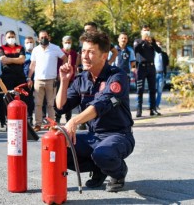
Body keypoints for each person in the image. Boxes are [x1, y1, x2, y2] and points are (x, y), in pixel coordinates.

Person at [55, 31, 135, 192]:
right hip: (94, 136)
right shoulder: (81, 79)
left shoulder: (117, 77)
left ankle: (118, 172)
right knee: (57, 147)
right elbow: (61, 107)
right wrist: (63, 81)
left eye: (91, 52)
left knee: (103, 154)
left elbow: (102, 104)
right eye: (83, 51)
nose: (85, 56)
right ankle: (100, 168)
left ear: (104, 56)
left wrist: (74, 121)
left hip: (118, 135)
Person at [27, 30, 67, 132]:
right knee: (38, 104)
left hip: (51, 80)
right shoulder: (35, 50)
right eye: (42, 37)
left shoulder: (55, 48)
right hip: (38, 80)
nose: (44, 39)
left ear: (49, 37)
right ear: (38, 39)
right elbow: (32, 65)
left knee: (51, 104)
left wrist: (61, 71)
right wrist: (29, 77)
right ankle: (37, 124)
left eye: (45, 37)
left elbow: (64, 58)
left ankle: (51, 124)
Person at [0, 30, 27, 124]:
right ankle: (7, 119)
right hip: (7, 77)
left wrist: (9, 59)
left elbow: (22, 60)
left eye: (12, 37)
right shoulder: (1, 48)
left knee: (21, 99)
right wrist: (16, 59)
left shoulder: (20, 47)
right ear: (5, 38)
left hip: (19, 77)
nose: (11, 38)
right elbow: (3, 60)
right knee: (7, 98)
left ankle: (22, 118)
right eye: (9, 37)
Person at [134, 25, 163, 117]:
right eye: (144, 30)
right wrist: (143, 40)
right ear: (141, 32)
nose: (146, 32)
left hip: (151, 67)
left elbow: (159, 51)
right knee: (140, 89)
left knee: (152, 89)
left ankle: (152, 109)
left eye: (148, 30)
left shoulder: (152, 41)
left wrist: (153, 43)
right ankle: (139, 110)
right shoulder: (137, 41)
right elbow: (136, 49)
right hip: (141, 67)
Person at [55, 35, 78, 123]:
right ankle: (58, 118)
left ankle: (68, 118)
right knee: (59, 98)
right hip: (60, 79)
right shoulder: (59, 52)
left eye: (69, 43)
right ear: (62, 43)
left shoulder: (74, 53)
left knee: (69, 98)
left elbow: (75, 65)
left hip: (71, 79)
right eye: (66, 43)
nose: (67, 44)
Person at [23, 36, 35, 126]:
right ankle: (26, 117)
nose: (29, 44)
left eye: (31, 42)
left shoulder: (37, 53)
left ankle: (30, 118)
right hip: (24, 78)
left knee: (36, 101)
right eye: (27, 42)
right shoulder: (22, 54)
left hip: (36, 78)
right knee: (26, 99)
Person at [154, 40, 169, 110]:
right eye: (157, 45)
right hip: (153, 74)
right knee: (152, 90)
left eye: (160, 44)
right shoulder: (152, 53)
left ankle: (157, 105)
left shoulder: (164, 54)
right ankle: (151, 105)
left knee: (159, 91)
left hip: (161, 74)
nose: (159, 46)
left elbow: (167, 64)